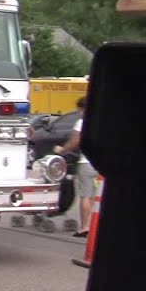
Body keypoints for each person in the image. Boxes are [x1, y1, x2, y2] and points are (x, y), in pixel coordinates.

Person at [55, 96, 95, 238]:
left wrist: (61, 150)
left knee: (85, 195)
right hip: (99, 164)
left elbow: (74, 142)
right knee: (92, 196)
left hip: (86, 162)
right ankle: (92, 224)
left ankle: (84, 227)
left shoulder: (81, 122)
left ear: (82, 108)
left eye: (79, 109)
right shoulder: (102, 121)